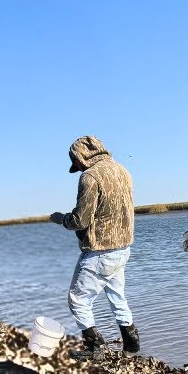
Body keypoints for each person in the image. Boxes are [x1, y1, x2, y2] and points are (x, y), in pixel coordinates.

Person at [49, 135, 139, 357]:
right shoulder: (123, 171)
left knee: (77, 299)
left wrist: (60, 218)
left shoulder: (90, 177)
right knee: (117, 295)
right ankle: (132, 345)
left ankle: (94, 347)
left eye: (76, 163)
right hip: (123, 248)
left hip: (100, 250)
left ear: (81, 157)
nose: (77, 169)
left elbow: (80, 220)